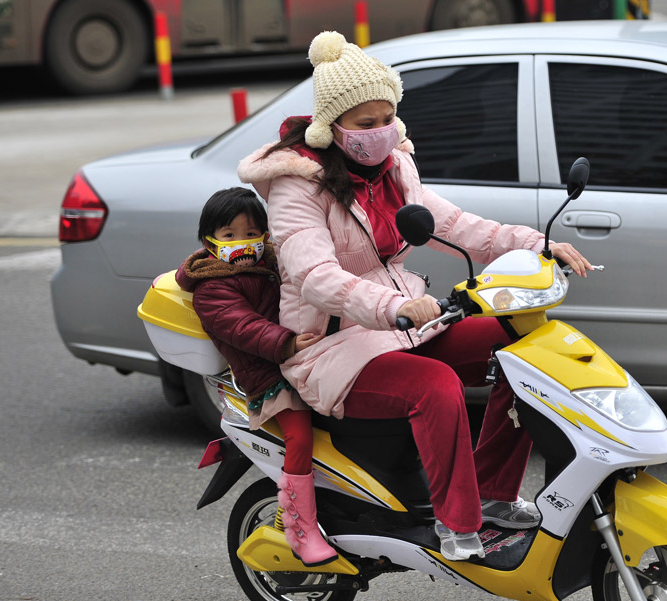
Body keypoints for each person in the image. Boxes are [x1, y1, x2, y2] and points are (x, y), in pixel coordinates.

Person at [237, 31, 593, 561]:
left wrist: (535, 245)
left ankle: (495, 491)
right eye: (365, 123)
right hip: (331, 346)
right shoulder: (297, 187)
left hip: (406, 327)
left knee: (524, 342)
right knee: (436, 385)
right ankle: (458, 526)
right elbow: (315, 276)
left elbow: (453, 223)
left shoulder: (395, 167)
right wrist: (394, 307)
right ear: (331, 127)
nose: (381, 132)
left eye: (388, 118)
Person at [175, 187, 337, 566]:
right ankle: (298, 527)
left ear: (265, 235)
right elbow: (243, 327)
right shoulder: (212, 286)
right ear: (209, 240)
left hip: (304, 359)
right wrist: (288, 343)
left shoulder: (272, 262)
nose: (242, 242)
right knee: (299, 436)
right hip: (268, 375)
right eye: (229, 235)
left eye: (250, 233)